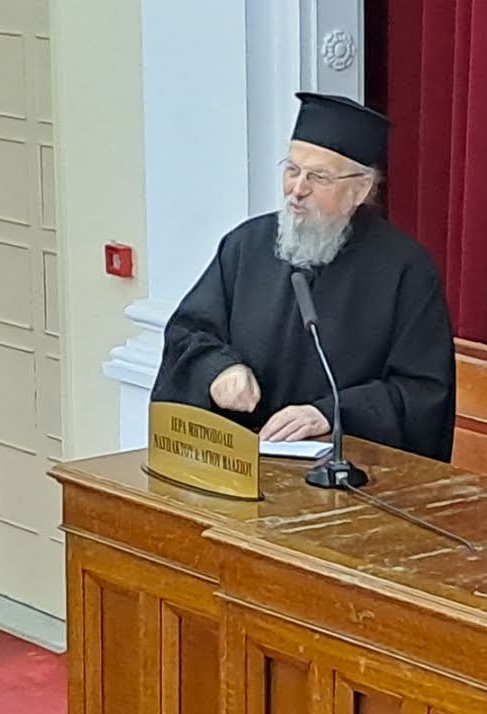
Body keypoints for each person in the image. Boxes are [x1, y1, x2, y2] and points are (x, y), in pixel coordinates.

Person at [151, 92, 455, 459]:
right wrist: (219, 370)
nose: (297, 190)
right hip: (241, 461)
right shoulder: (246, 245)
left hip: (344, 470)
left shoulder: (405, 270)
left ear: (360, 189)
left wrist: (330, 413)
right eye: (292, 170)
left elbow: (421, 391)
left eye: (318, 177)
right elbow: (188, 333)